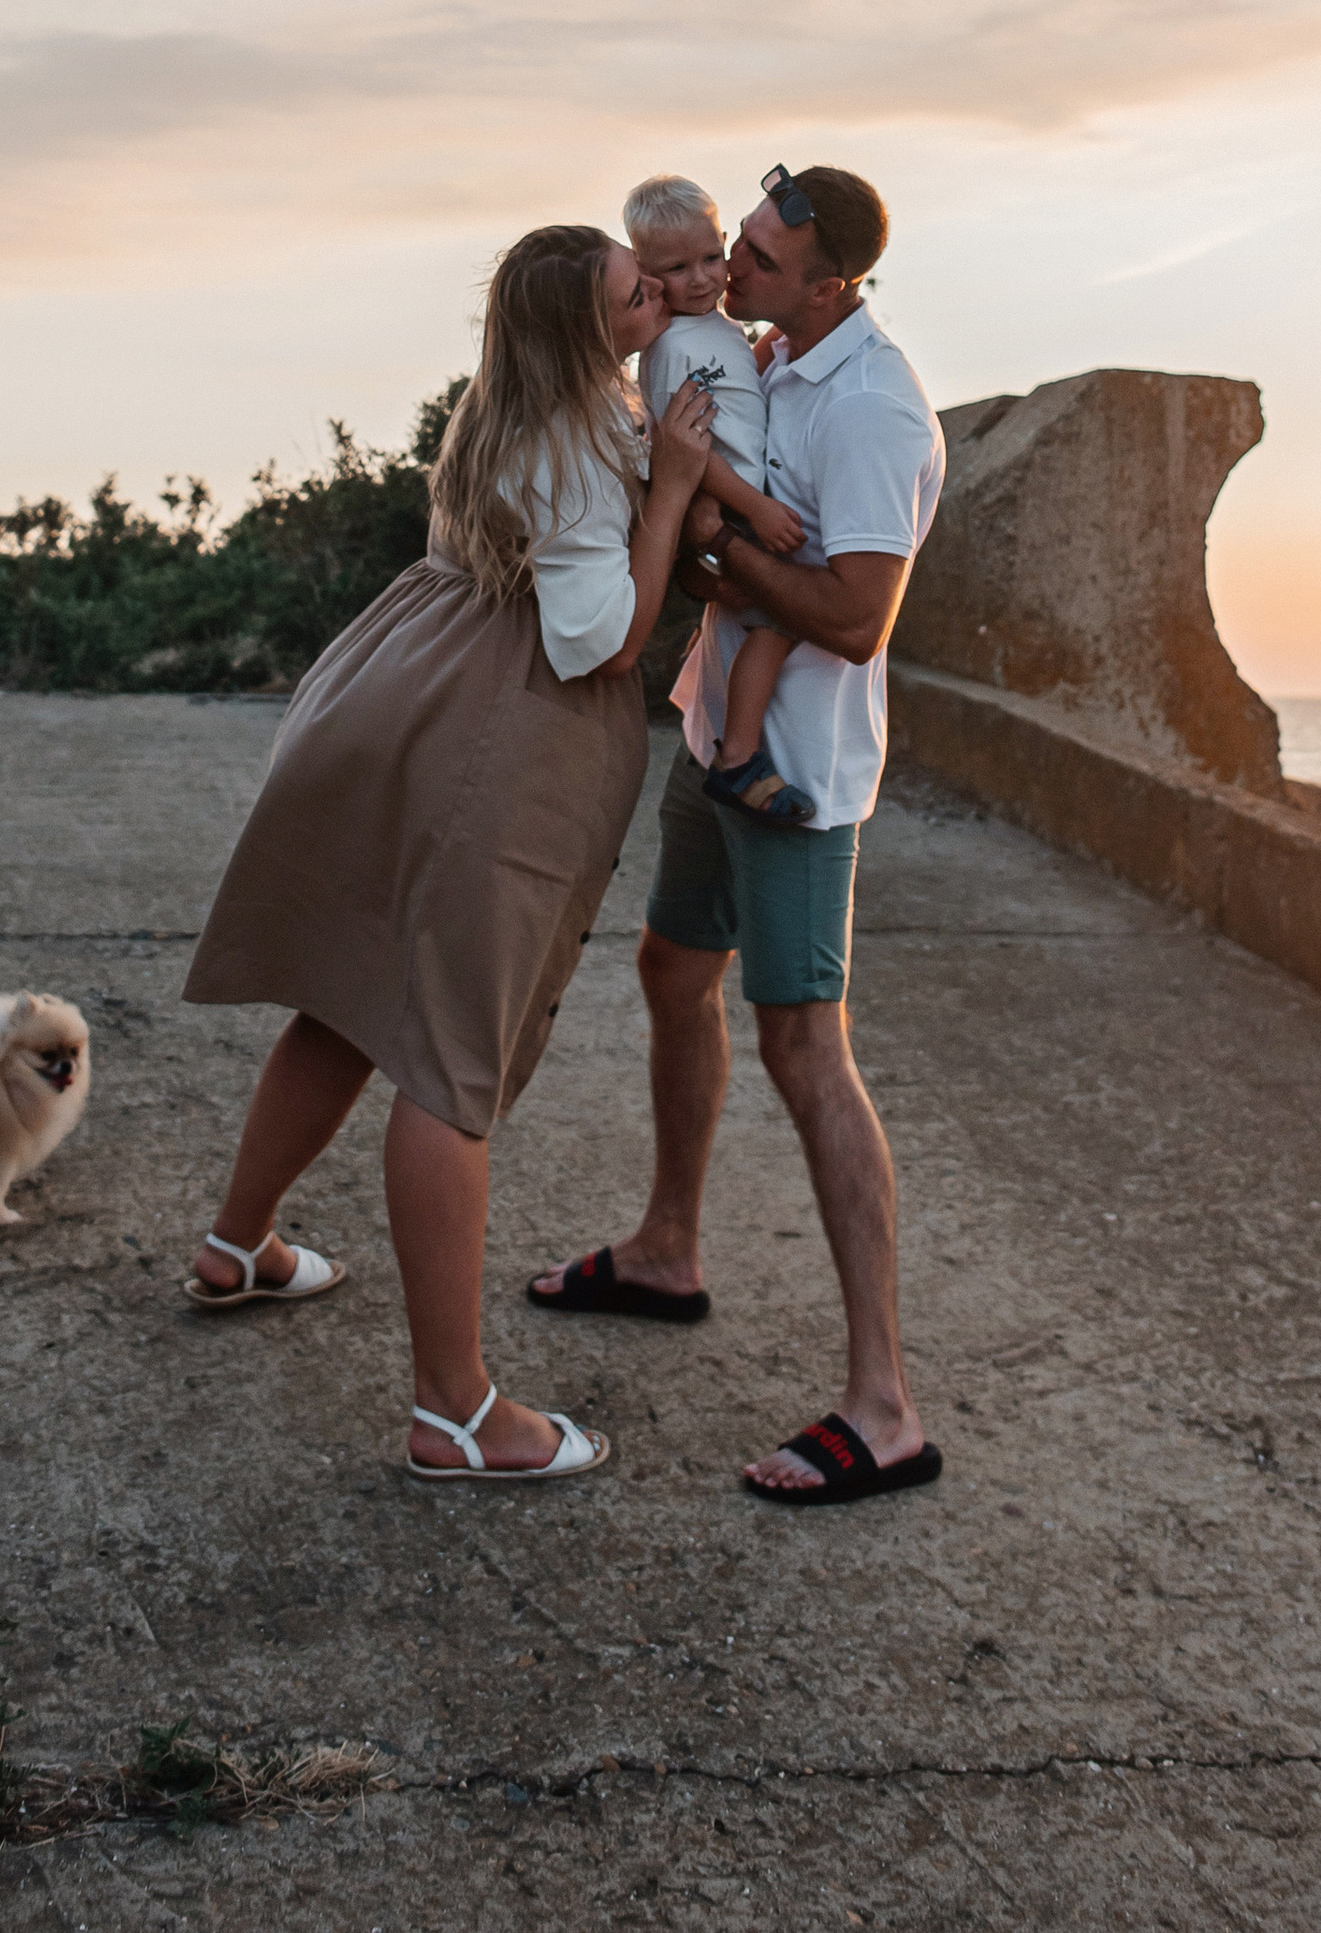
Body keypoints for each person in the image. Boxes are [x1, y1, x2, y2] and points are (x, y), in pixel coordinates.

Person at [181, 223, 714, 1482]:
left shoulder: (511, 400)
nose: (662, 305)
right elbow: (603, 641)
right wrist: (678, 487)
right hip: (498, 736)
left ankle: (234, 1244)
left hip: (397, 700)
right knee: (449, 1063)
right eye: (640, 298)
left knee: (353, 1001)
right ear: (589, 331)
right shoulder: (582, 446)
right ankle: (456, 1412)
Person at [529, 162, 948, 1508]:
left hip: (801, 774)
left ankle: (884, 1405)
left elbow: (855, 615)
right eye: (739, 250)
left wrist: (710, 553)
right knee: (668, 963)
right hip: (715, 730)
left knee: (803, 1046)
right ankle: (666, 1245)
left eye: (760, 262)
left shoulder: (877, 407)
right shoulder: (775, 350)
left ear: (835, 283)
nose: (733, 276)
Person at [623, 173, 813, 826]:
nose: (702, 278)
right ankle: (737, 758)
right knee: (779, 620)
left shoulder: (720, 329)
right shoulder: (674, 347)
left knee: (755, 618)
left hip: (743, 496)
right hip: (731, 502)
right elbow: (690, 450)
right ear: (648, 277)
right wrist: (754, 510)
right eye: (677, 268)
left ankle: (724, 740)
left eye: (711, 256)